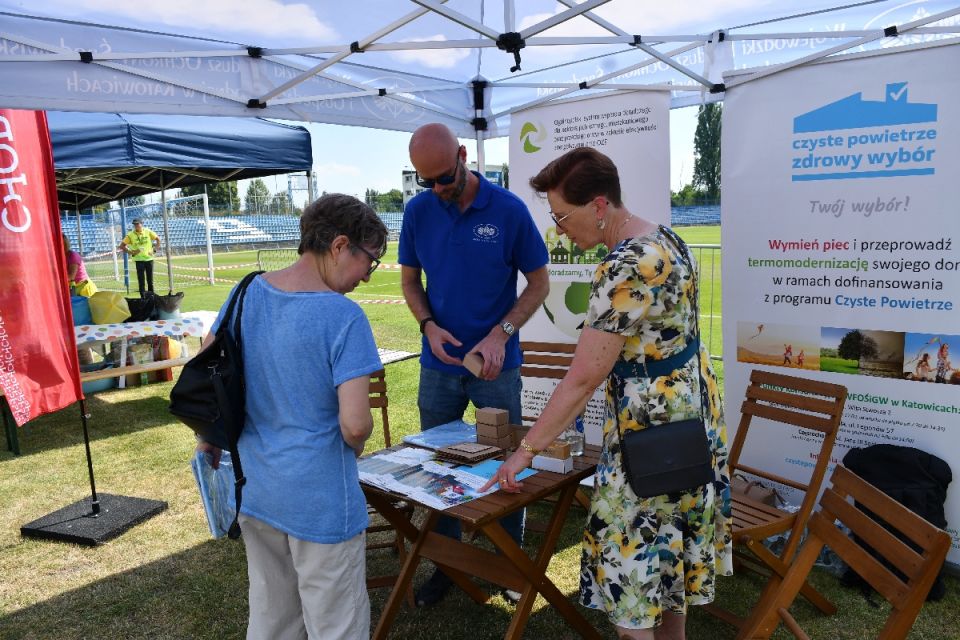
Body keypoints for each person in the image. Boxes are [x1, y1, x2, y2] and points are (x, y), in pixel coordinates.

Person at [483, 147, 732, 639]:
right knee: (670, 566)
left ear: (599, 205)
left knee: (633, 582)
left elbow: (584, 376)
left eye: (561, 215)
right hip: (689, 424)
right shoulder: (668, 240)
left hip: (649, 437)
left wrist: (525, 452)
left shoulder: (625, 265)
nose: (558, 228)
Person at [196, 194, 387, 640]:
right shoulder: (344, 316)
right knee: (335, 623)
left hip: (257, 489)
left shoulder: (244, 293)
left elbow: (207, 363)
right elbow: (355, 424)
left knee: (271, 617)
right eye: (370, 261)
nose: (366, 276)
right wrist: (353, 447)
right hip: (320, 498)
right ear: (340, 246)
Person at [398, 123, 550, 605]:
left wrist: (501, 334)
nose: (437, 189)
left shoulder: (508, 210)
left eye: (444, 177)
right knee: (436, 464)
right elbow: (409, 282)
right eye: (426, 181)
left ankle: (508, 566)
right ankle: (447, 566)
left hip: (496, 368)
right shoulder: (418, 212)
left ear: (464, 155)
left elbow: (540, 284)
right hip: (438, 365)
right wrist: (427, 325)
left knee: (509, 461)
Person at [118, 217, 161, 296]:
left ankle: (151, 296)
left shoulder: (148, 231)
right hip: (139, 260)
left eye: (137, 224)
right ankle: (143, 297)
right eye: (134, 224)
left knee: (150, 280)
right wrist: (130, 252)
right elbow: (121, 246)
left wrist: (154, 250)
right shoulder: (130, 235)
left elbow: (158, 239)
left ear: (142, 224)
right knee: (141, 281)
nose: (136, 225)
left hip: (149, 259)